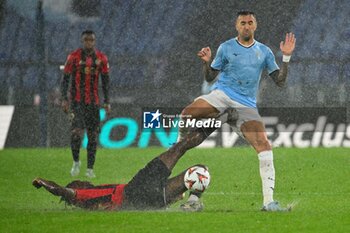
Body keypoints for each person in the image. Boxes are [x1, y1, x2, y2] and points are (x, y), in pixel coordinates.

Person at [179, 11, 296, 211]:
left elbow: (280, 81)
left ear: (255, 26)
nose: (246, 26)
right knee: (186, 114)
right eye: (243, 23)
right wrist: (206, 62)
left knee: (264, 145)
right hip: (222, 96)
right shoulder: (226, 48)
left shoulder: (264, 52)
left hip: (246, 105)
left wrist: (286, 56)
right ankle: (179, 146)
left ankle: (269, 203)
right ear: (237, 26)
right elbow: (209, 78)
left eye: (250, 23)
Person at [32, 127, 216, 212]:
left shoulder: (97, 202)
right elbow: (66, 192)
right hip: (137, 189)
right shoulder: (86, 194)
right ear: (78, 186)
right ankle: (217, 122)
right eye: (79, 183)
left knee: (200, 171)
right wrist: (45, 183)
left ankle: (192, 203)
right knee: (179, 148)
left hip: (150, 202)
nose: (83, 182)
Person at [61, 30, 111, 178]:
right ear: (82, 41)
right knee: (76, 134)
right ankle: (76, 162)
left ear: (94, 42)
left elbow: (106, 82)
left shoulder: (101, 58)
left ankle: (90, 169)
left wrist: (107, 101)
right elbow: (65, 79)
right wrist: (64, 99)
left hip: (93, 104)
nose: (88, 42)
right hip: (77, 103)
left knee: (93, 136)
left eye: (91, 40)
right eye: (86, 40)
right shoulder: (74, 57)